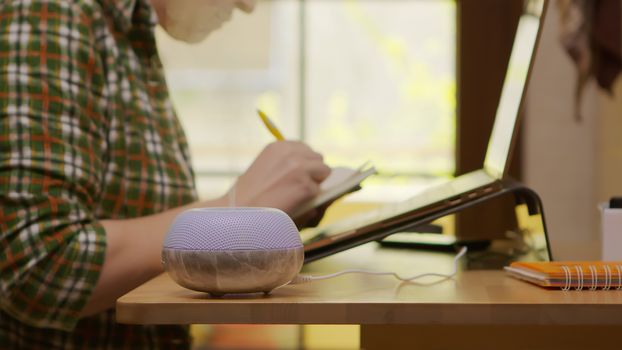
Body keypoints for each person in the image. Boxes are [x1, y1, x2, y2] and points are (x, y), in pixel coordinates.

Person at [0, 0, 331, 348]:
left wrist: (260, 224)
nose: (248, 7)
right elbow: (40, 266)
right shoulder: (51, 12)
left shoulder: (127, 34)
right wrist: (238, 205)